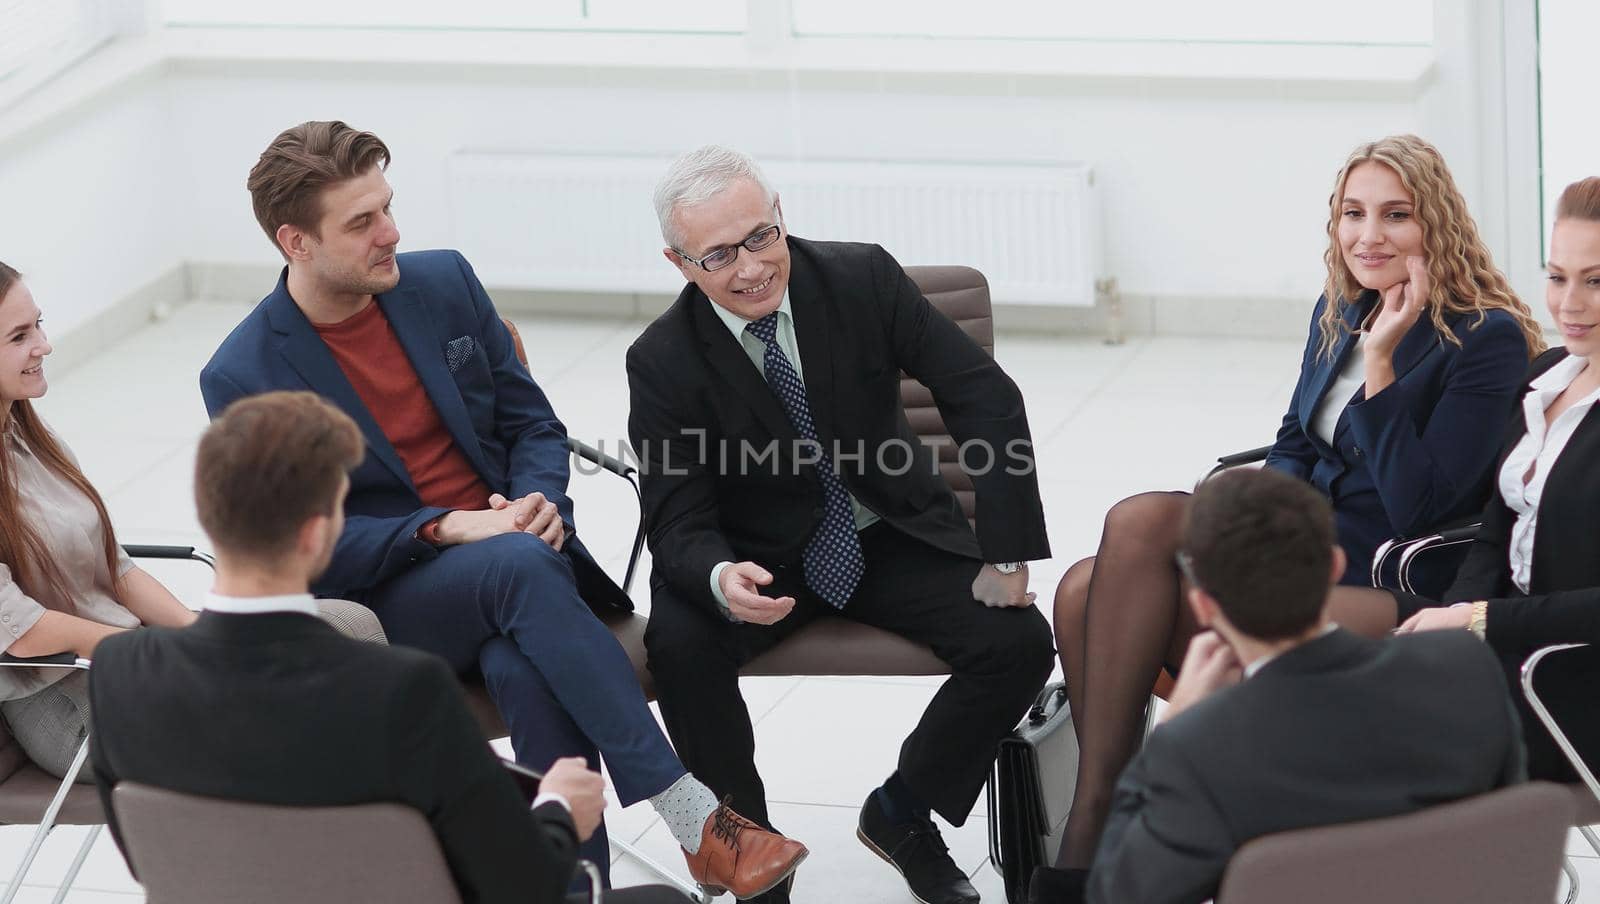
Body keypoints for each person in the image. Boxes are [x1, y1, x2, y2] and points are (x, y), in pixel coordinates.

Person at [199, 122, 803, 898]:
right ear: (296, 242)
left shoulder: (443, 282)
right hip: (395, 603)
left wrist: (540, 500)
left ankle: (570, 890)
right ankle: (692, 816)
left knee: (524, 659)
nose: (391, 233)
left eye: (387, 206)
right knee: (516, 568)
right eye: (362, 223)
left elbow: (532, 426)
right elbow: (296, 549)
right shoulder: (245, 371)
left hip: (523, 572)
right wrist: (446, 527)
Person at [1048, 134, 1545, 871]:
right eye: (1353, 213)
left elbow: (1419, 504)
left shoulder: (1483, 336)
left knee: (1132, 536)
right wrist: (1256, 536)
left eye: (1395, 215)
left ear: (1434, 224)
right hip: (1301, 546)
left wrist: (1381, 365)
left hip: (1387, 574)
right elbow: (1293, 441)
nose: (1368, 236)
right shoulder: (1340, 308)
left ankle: (1099, 838)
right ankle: (1113, 820)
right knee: (1084, 584)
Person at [627, 145, 1056, 904]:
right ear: (679, 261)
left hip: (886, 532)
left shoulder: (860, 278)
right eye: (720, 254)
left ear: (781, 216)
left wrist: (1010, 549)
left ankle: (903, 811)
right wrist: (721, 575)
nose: (753, 267)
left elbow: (983, 397)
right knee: (680, 643)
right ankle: (752, 861)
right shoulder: (661, 359)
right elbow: (677, 512)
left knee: (1017, 641)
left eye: (762, 236)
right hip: (758, 560)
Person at [89, 391, 690, 904]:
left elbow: (151, 858)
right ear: (319, 532)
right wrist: (558, 809)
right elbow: (520, 885)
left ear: (206, 513)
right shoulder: (400, 690)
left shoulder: (118, 672)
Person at [1030, 468, 1523, 904]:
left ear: (1203, 609)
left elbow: (1132, 888)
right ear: (1332, 569)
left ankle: (1086, 817)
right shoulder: (1470, 671)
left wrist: (1175, 733)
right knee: (1085, 583)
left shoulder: (1199, 754)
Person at [0, 262, 382, 784]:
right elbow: (22, 634)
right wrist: (165, 651)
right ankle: (350, 832)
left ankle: (368, 822)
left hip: (133, 649)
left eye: (38, 324)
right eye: (20, 336)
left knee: (349, 627)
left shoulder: (28, 439)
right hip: (73, 695)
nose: (43, 344)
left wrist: (198, 631)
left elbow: (117, 568)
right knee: (283, 709)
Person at [1391, 176, 1600, 783]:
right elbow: (1494, 529)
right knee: (1307, 638)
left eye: (1596, 280)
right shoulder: (1549, 375)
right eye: (1558, 277)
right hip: (1497, 642)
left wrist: (1475, 622)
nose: (1569, 303)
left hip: (1567, 681)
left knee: (1341, 715)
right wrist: (1460, 620)